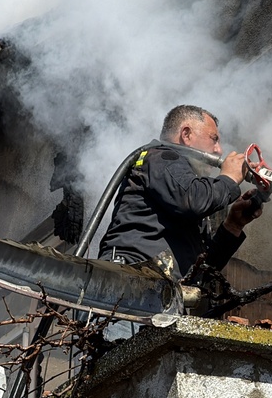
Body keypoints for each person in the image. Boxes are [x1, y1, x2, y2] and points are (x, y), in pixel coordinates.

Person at [98, 105, 262, 280]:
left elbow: (202, 272)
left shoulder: (185, 188)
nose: (218, 150)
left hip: (159, 292)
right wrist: (229, 178)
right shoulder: (161, 157)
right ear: (186, 135)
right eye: (213, 139)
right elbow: (194, 201)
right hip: (129, 280)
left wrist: (233, 226)